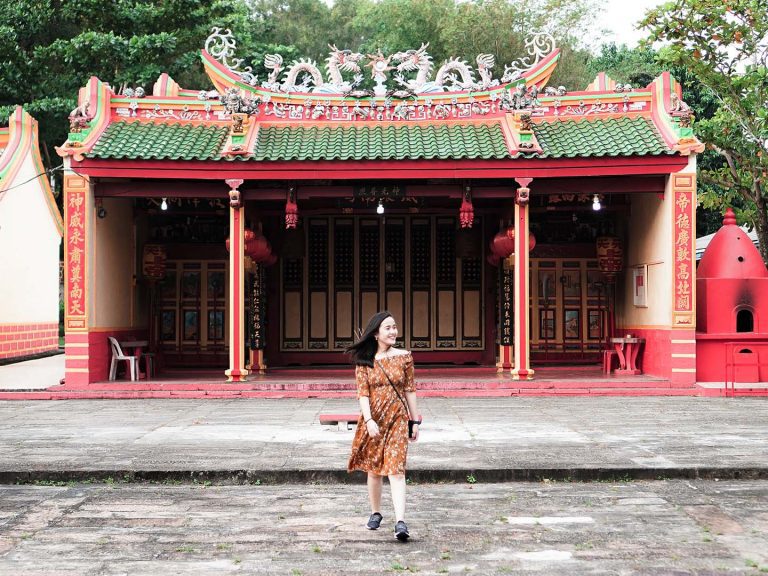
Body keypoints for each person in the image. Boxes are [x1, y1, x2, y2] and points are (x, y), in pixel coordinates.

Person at [346, 311, 420, 541]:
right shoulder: (364, 361)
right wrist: (368, 420)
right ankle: (375, 512)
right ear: (376, 333)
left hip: (398, 418)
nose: (393, 332)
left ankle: (400, 522)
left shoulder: (405, 356)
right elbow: (363, 394)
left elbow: (410, 389)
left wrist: (414, 420)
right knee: (375, 470)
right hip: (374, 420)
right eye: (388, 328)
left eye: (395, 327)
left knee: (396, 471)